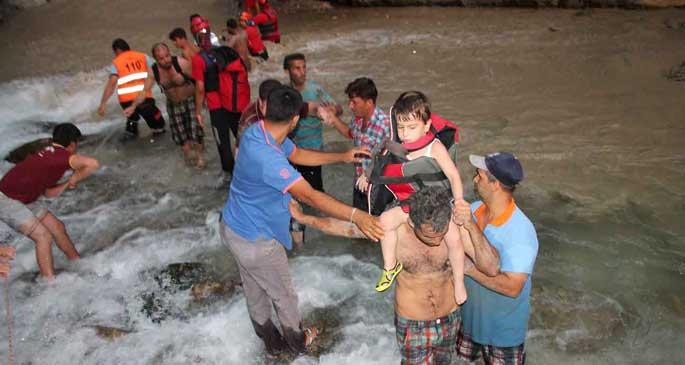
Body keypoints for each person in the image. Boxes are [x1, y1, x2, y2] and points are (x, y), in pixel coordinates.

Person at [219, 86, 383, 356]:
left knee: (255, 289)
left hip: (233, 227)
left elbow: (296, 154)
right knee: (284, 297)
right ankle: (296, 346)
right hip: (257, 242)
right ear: (295, 120)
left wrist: (341, 156)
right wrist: (358, 215)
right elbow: (312, 197)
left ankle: (270, 344)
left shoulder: (257, 132)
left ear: (264, 109)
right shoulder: (269, 158)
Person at [289, 187, 500, 365]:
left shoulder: (449, 227)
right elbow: (347, 229)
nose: (437, 241)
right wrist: (304, 218)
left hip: (449, 318)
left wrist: (470, 225)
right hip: (413, 322)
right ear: (412, 223)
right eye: (429, 235)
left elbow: (491, 268)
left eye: (441, 234)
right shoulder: (394, 230)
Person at [372, 92, 467, 303]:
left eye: (412, 127)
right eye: (401, 127)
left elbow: (453, 175)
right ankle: (389, 266)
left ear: (426, 125)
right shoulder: (398, 147)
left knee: (454, 240)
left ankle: (459, 282)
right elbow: (380, 167)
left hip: (437, 203)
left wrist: (459, 201)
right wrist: (365, 178)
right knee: (384, 222)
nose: (405, 133)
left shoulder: (435, 147)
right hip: (410, 203)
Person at [454, 152, 539, 365]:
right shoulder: (473, 209)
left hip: (503, 336)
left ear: (495, 185)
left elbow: (512, 288)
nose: (474, 180)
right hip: (468, 324)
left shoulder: (521, 232)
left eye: (479, 176)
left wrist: (469, 269)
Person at [0, 123, 99, 279]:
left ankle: (78, 262)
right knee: (43, 236)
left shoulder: (49, 155)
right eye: (77, 144)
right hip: (5, 200)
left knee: (57, 227)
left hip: (23, 198)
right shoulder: (60, 156)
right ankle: (50, 283)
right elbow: (92, 164)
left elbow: (49, 193)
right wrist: (75, 177)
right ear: (72, 144)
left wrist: (68, 183)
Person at [127, 43, 206, 168]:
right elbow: (144, 91)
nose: (166, 60)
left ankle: (201, 159)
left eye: (167, 56)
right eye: (161, 59)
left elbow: (200, 81)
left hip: (190, 101)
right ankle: (188, 161)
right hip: (173, 105)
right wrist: (133, 106)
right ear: (156, 60)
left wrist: (200, 105)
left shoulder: (181, 63)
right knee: (181, 138)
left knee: (196, 133)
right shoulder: (153, 71)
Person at [318, 77, 391, 210]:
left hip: (376, 189)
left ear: (369, 103)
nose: (350, 106)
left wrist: (369, 175)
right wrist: (333, 119)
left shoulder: (384, 125)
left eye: (354, 102)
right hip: (358, 183)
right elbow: (349, 133)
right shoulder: (358, 118)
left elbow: (390, 160)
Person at [192, 21, 250, 181]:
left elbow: (200, 87)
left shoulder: (198, 59)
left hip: (216, 106)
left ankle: (230, 178)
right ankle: (250, 170)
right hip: (234, 102)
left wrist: (198, 112)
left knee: (223, 143)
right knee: (242, 138)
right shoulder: (224, 52)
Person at [97, 38, 166, 141]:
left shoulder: (116, 62)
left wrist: (103, 103)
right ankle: (159, 141)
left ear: (117, 50)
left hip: (126, 101)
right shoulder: (142, 56)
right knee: (159, 124)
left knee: (132, 118)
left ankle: (130, 137)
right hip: (144, 99)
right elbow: (158, 69)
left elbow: (111, 84)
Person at [237, 78, 281, 146]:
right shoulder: (248, 119)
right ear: (260, 102)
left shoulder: (283, 106)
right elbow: (239, 147)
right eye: (270, 106)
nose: (275, 110)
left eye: (277, 104)